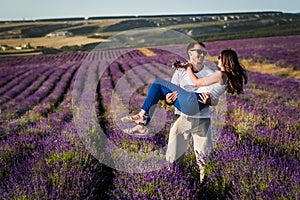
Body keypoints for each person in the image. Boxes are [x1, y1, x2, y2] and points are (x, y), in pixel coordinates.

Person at [121, 48, 248, 139]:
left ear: (225, 60)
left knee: (158, 83)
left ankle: (142, 115)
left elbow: (197, 82)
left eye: (220, 57)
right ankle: (144, 122)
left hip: (192, 101)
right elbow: (213, 96)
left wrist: (188, 68)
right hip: (196, 105)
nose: (218, 58)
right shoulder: (228, 78)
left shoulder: (221, 74)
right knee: (158, 91)